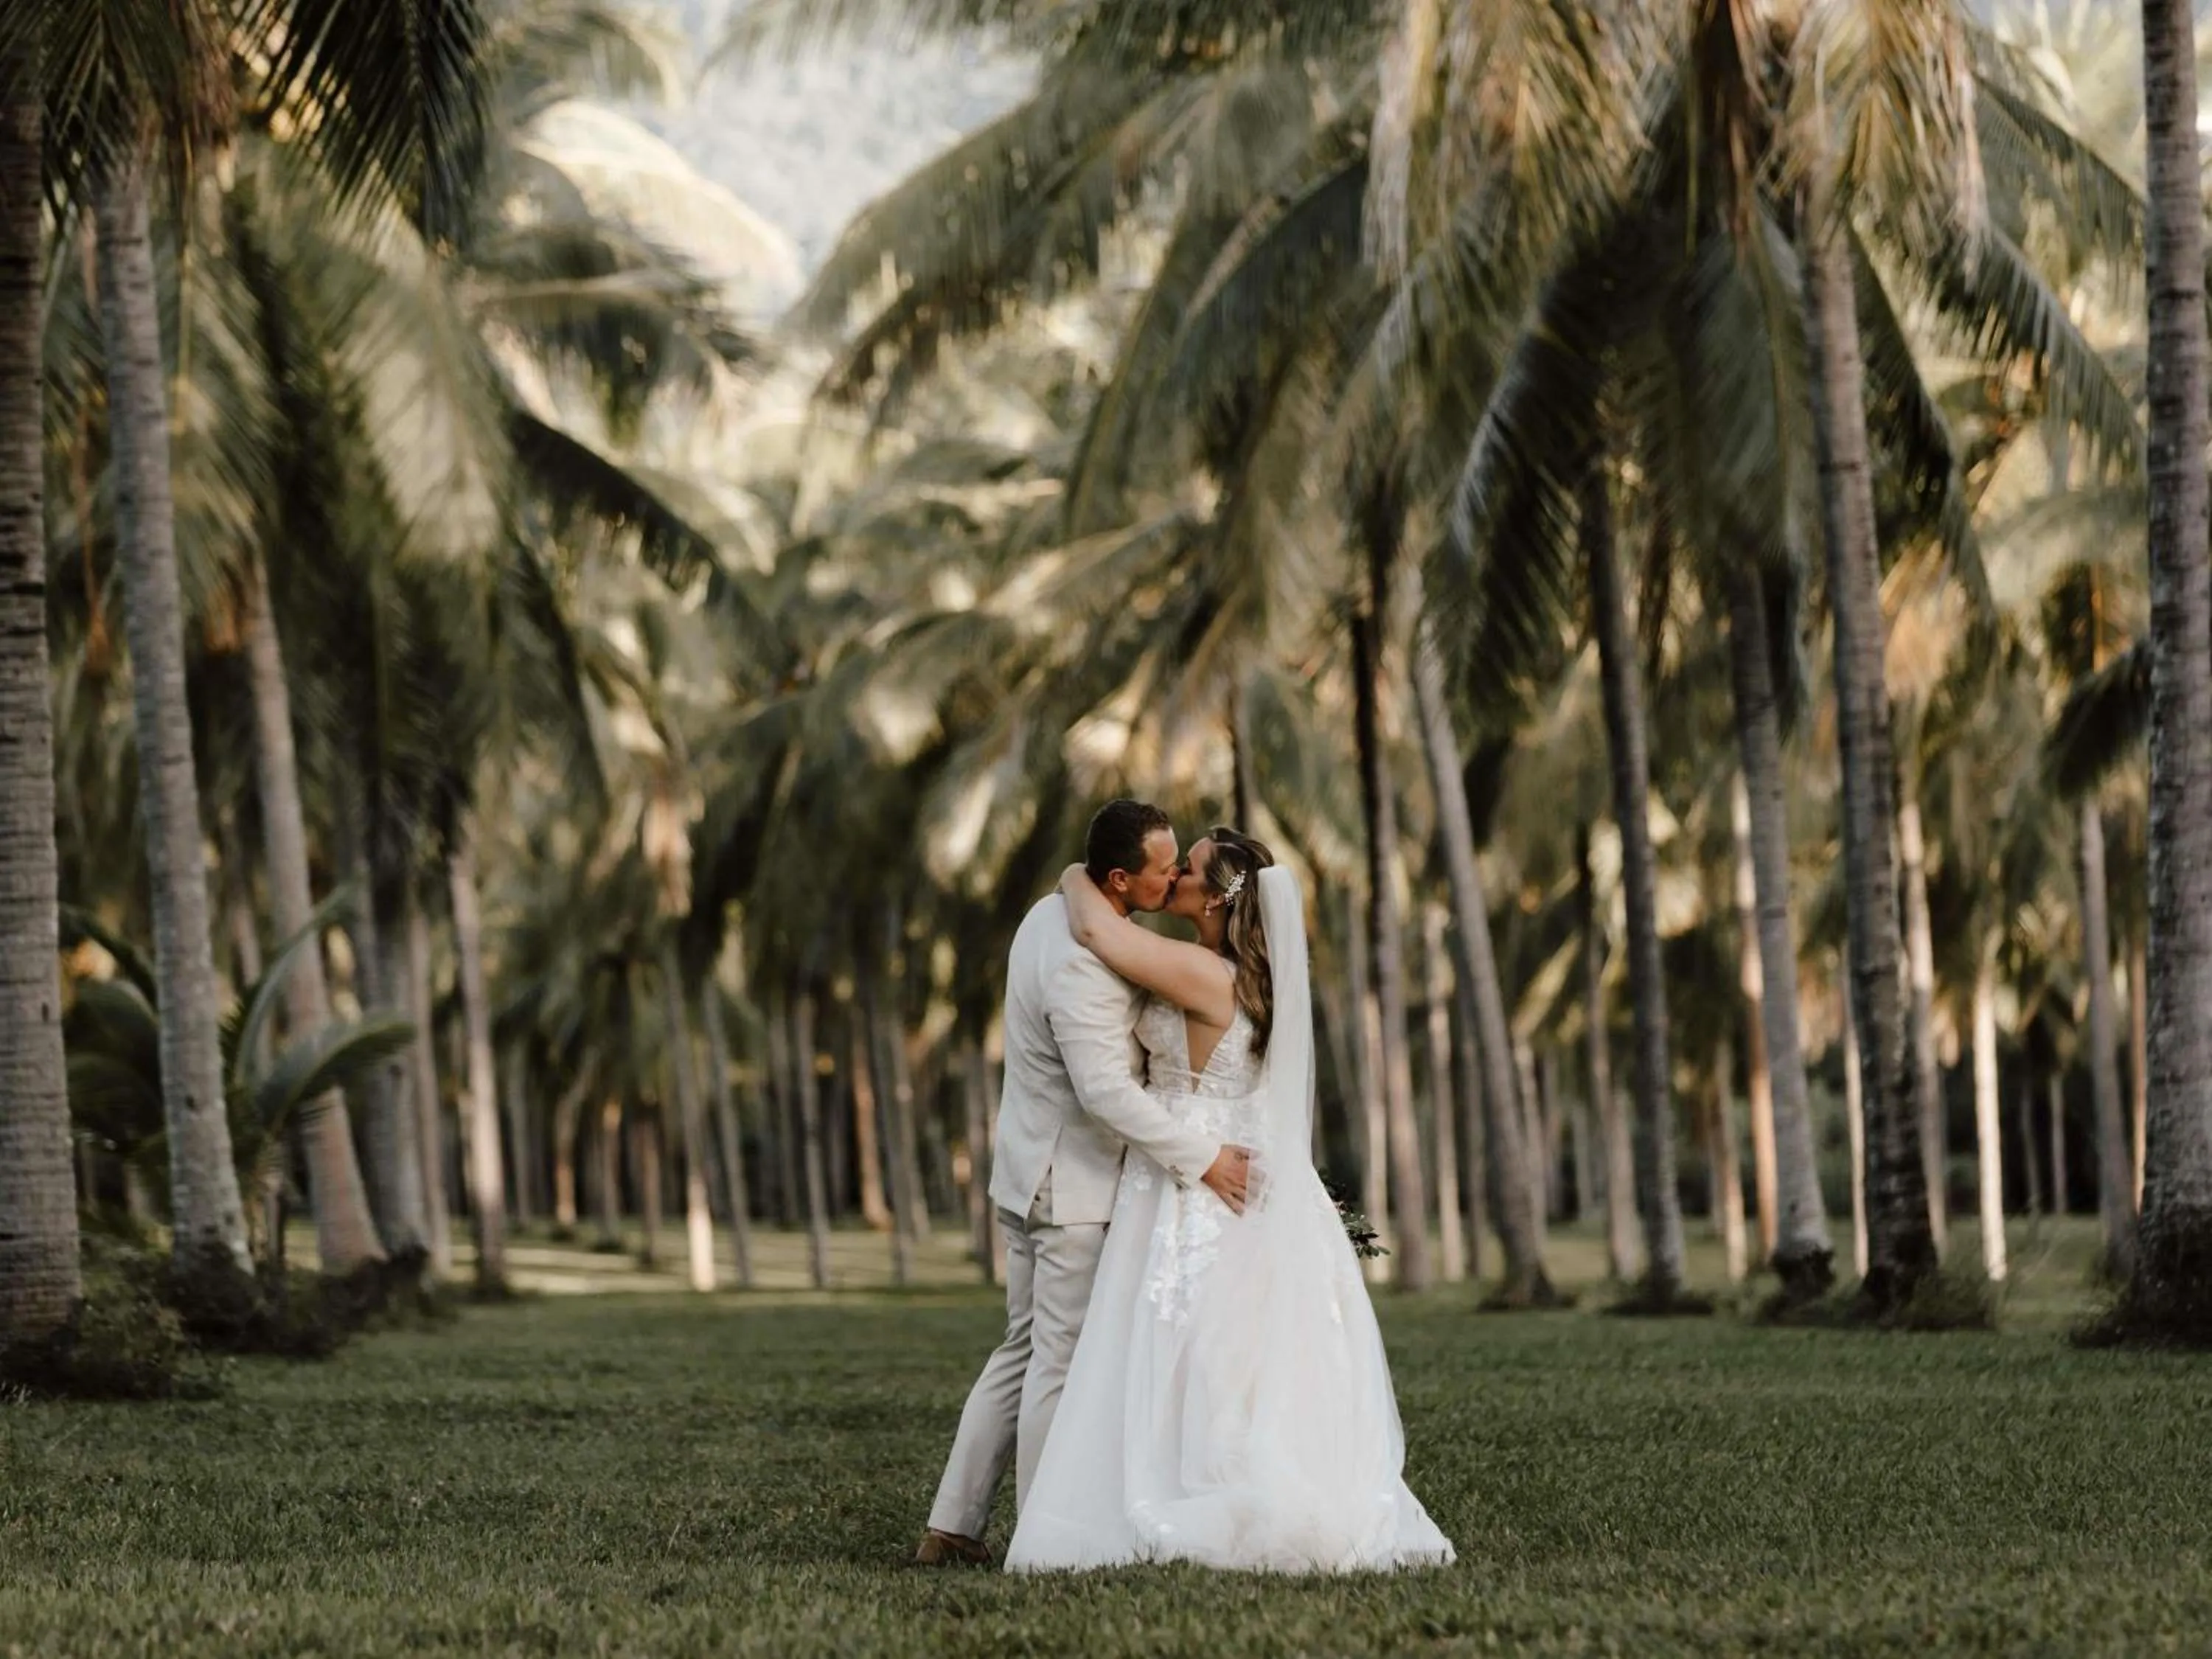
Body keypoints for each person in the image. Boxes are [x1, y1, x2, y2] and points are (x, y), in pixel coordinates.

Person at [1004, 827, 1455, 1573]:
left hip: (1193, 1175)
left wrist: (1078, 867)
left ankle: (1178, 1494)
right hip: (1229, 1171)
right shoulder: (1247, 976)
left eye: (1190, 868)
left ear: (1215, 897)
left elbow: (1089, 926)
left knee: (1178, 1344)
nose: (1176, 874)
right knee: (1224, 1351)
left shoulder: (1199, 974)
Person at [914, 801, 1253, 1567]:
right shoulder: (1081, 959)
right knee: (1056, 1367)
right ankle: (1044, 1537)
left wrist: (1072, 876)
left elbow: (1106, 926)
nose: (1174, 877)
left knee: (1024, 1350)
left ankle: (951, 1528)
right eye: (1165, 867)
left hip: (1029, 1173)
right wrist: (1201, 1157)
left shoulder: (1051, 912)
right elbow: (1105, 1093)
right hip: (1068, 1189)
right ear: (1122, 878)